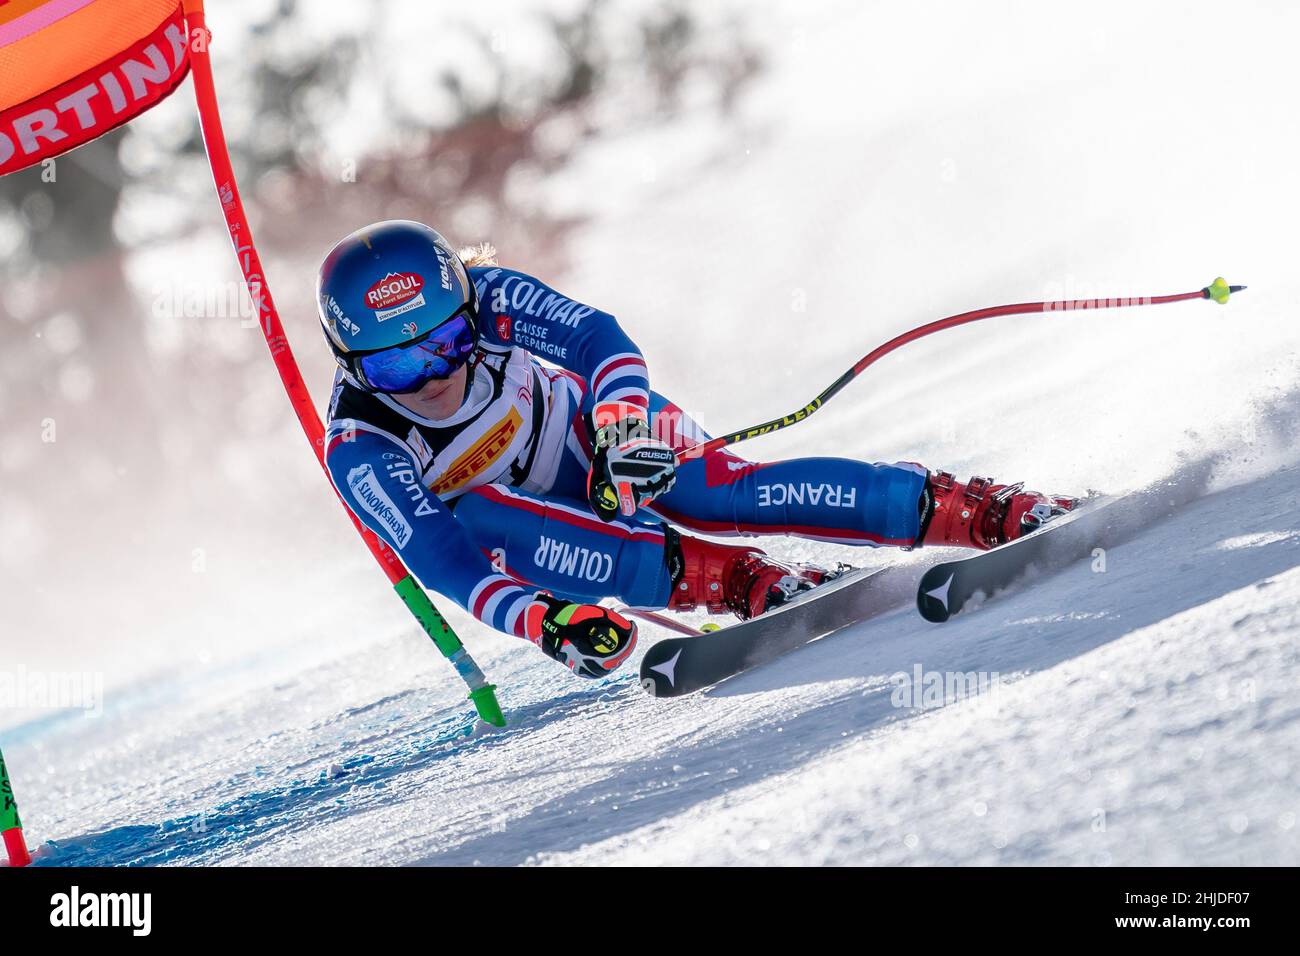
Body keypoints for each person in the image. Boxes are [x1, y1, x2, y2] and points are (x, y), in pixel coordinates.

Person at [319, 221, 1073, 679]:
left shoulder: (492, 298)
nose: (436, 374)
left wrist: (618, 430)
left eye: (450, 341)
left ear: (466, 308)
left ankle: (971, 510)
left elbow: (598, 338)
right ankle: (742, 581)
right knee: (482, 521)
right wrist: (546, 621)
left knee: (718, 492)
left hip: (600, 434)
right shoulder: (362, 447)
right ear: (352, 364)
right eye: (397, 365)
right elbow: (444, 563)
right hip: (544, 528)